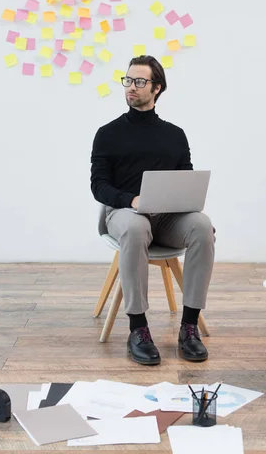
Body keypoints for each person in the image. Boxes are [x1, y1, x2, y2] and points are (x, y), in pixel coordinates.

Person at [90, 55, 215, 366]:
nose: (131, 87)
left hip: (167, 218)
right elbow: (99, 186)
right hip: (124, 214)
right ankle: (138, 329)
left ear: (157, 88)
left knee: (202, 225)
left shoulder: (174, 134)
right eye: (128, 80)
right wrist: (130, 200)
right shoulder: (108, 133)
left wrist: (188, 205)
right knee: (136, 228)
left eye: (139, 81)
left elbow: (186, 178)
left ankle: (189, 327)